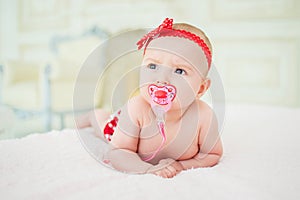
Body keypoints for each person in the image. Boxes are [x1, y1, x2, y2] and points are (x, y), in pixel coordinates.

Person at [76, 18, 223, 178]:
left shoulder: (204, 116)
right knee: (104, 127)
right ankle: (93, 115)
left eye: (179, 71)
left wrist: (180, 165)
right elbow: (119, 151)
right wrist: (147, 169)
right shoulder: (137, 108)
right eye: (153, 66)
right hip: (121, 123)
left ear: (201, 88)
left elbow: (212, 155)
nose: (162, 79)